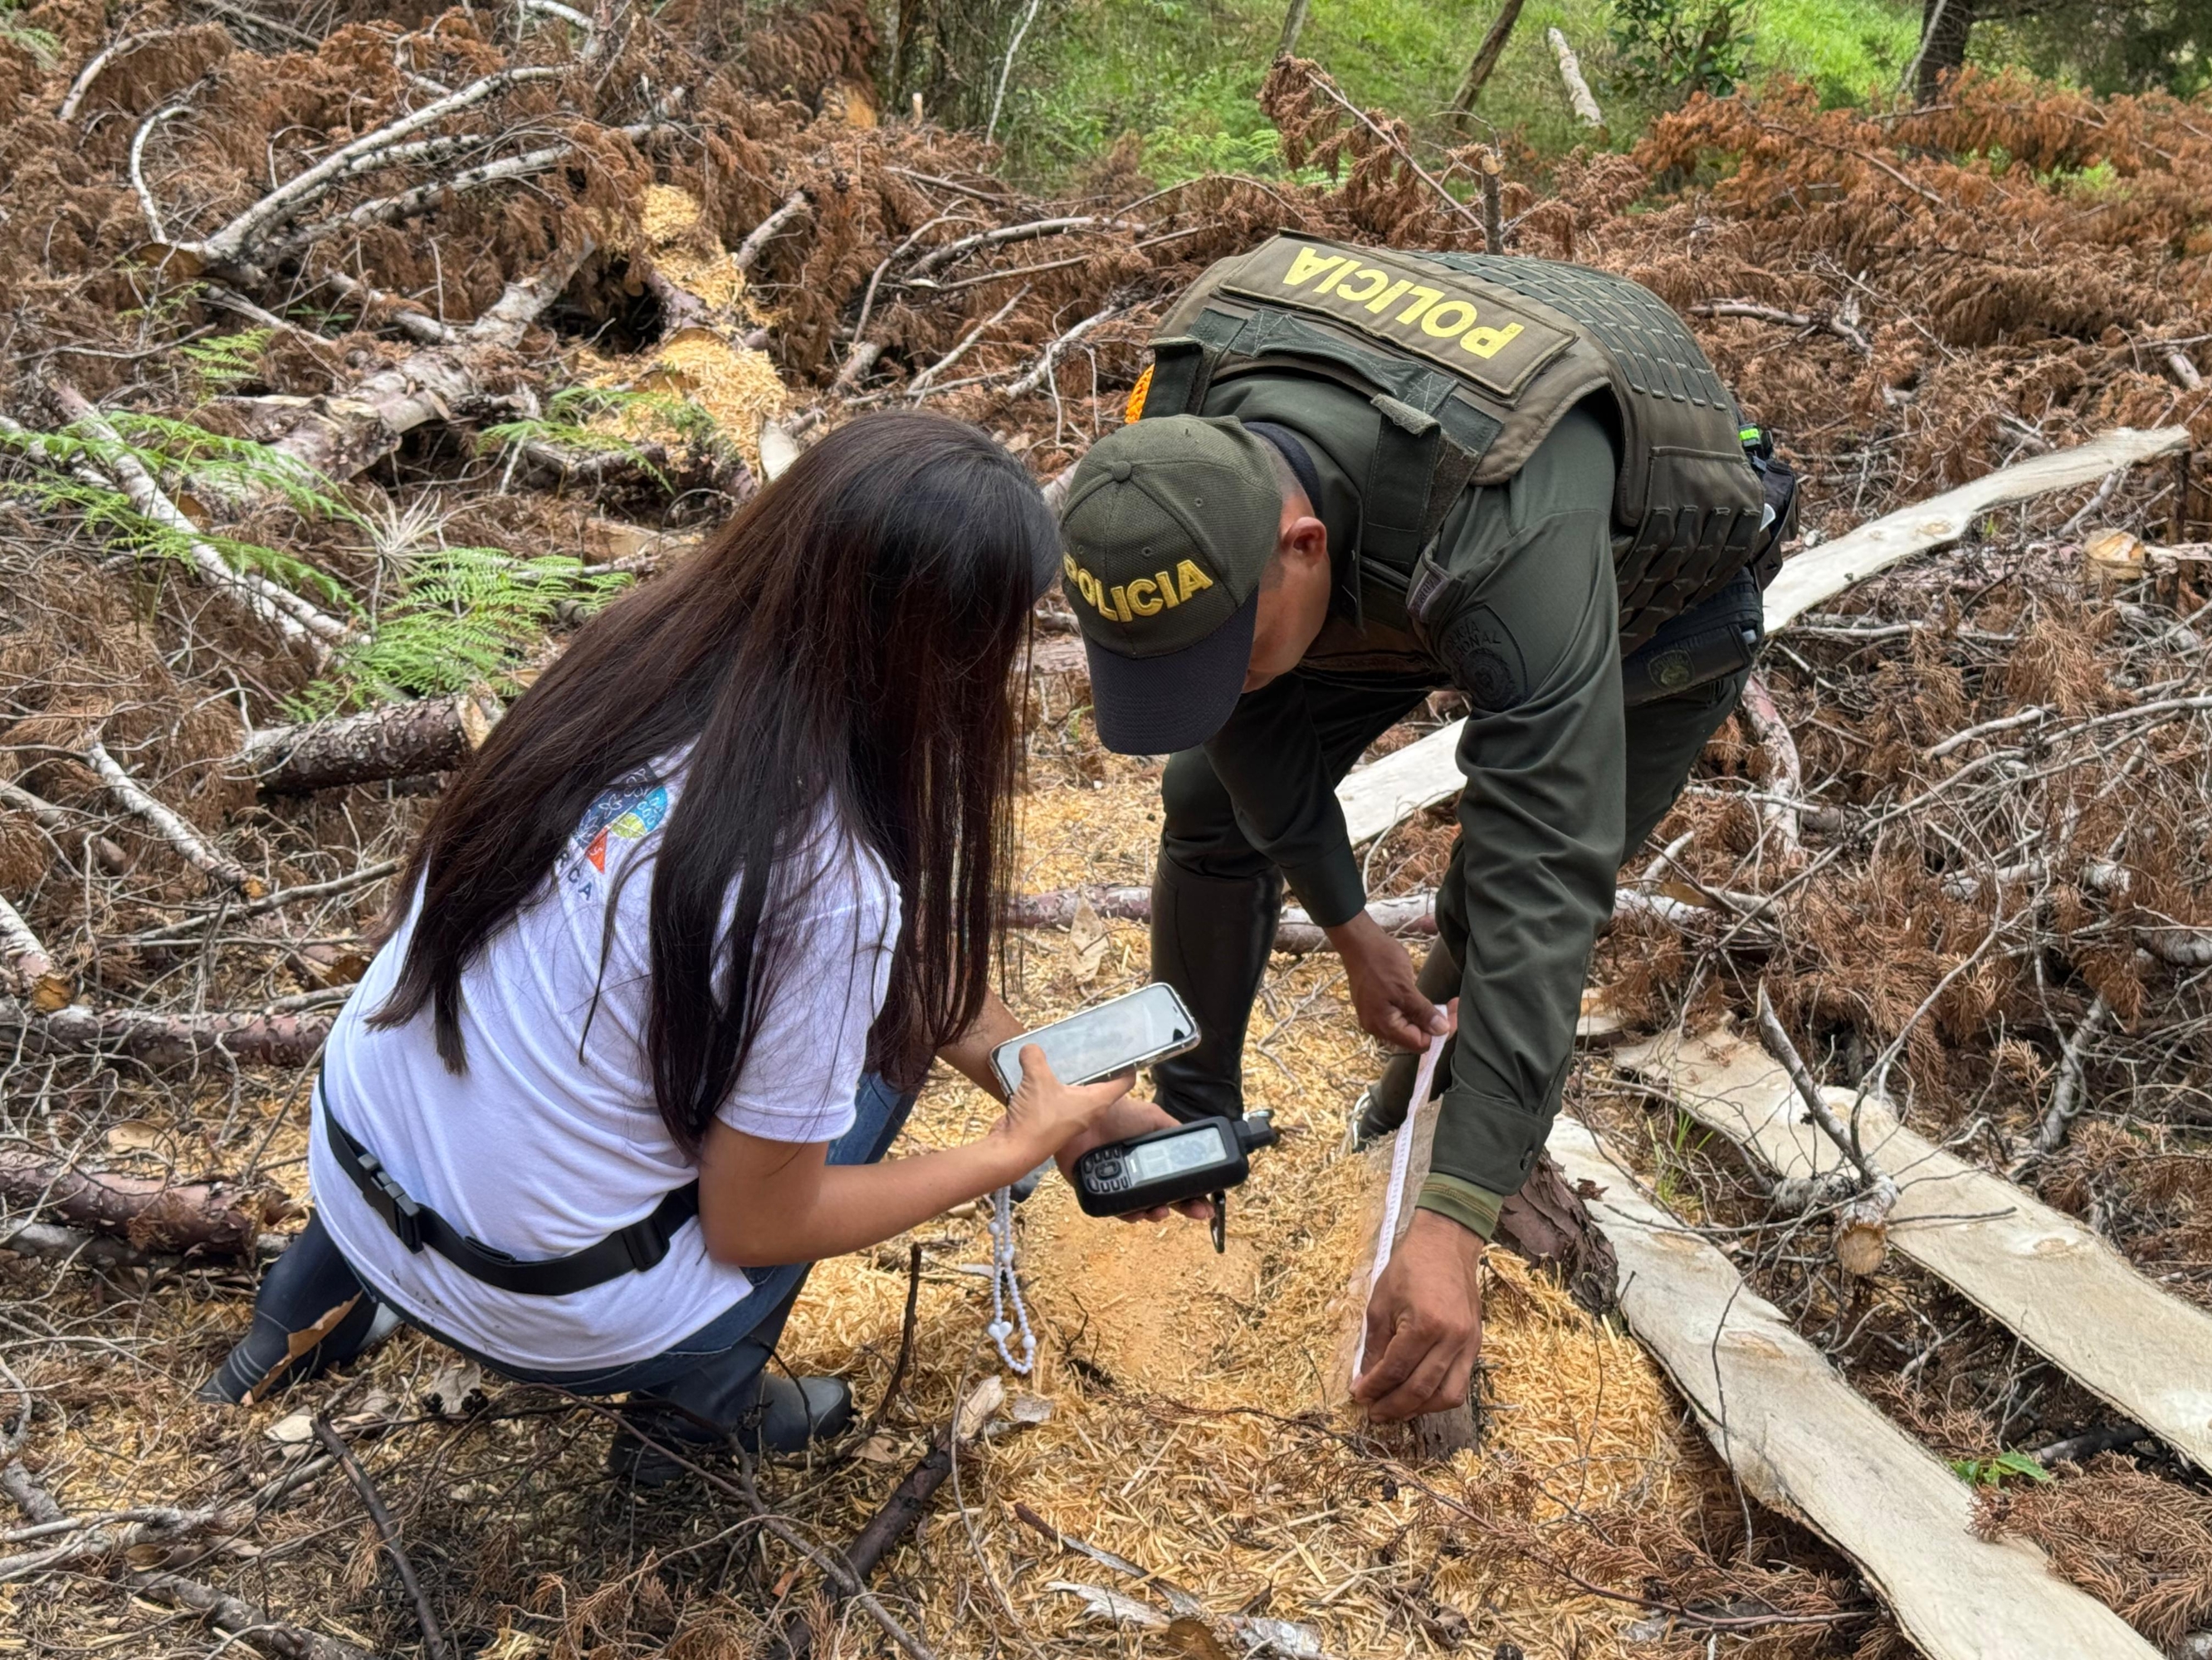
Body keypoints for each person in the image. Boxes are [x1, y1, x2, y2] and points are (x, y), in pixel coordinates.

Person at [203, 412, 1189, 1483]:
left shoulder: (636, 658)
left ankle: (301, 1317)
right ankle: (696, 1426)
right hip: (538, 1302)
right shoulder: (826, 882)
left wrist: (1039, 1093)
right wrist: (1005, 1151)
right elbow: (761, 1219)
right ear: (935, 656)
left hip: (354, 1162)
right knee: (885, 1056)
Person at [1057, 234, 1796, 1428]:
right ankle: (1199, 1120)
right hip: (1395, 546)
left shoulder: (1507, 527)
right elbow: (1239, 728)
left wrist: (1453, 1220)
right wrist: (1347, 924)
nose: (1221, 689)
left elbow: (1538, 882)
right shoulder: (1171, 445)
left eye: (1225, 652)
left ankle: (1426, 1156)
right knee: (1206, 802)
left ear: (1299, 553)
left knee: (1483, 913)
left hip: (1654, 599)